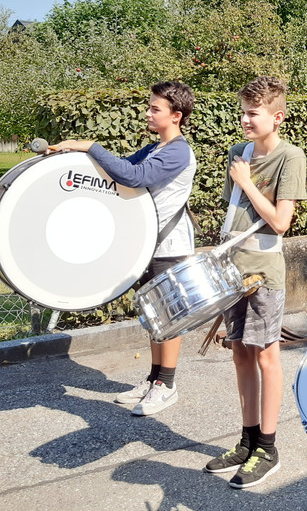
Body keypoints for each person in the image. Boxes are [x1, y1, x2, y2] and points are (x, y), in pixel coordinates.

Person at [50, 81, 197, 417]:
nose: (147, 113)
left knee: (169, 318)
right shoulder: (154, 148)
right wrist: (72, 155)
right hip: (148, 245)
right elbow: (114, 171)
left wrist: (91, 146)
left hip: (170, 246)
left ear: (176, 115)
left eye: (155, 109)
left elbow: (133, 176)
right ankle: (154, 379)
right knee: (153, 316)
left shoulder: (178, 151)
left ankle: (167, 385)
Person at [204, 76, 307, 489]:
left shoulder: (290, 157)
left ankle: (268, 447)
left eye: (253, 113)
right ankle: (247, 442)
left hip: (265, 272)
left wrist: (246, 181)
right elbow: (233, 218)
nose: (245, 120)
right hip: (232, 270)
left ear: (277, 117)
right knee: (240, 355)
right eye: (243, 112)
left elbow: (281, 222)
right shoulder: (237, 153)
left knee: (266, 357)